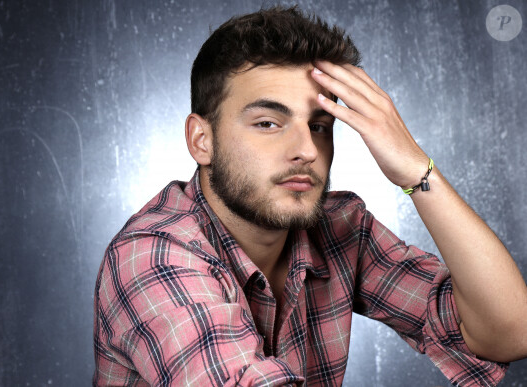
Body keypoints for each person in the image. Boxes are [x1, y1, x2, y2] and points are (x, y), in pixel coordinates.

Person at [93, 6, 527, 386]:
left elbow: (509, 332)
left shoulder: (340, 227)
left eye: (319, 125)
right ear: (201, 140)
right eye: (268, 123)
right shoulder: (152, 254)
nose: (306, 149)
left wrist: (415, 169)